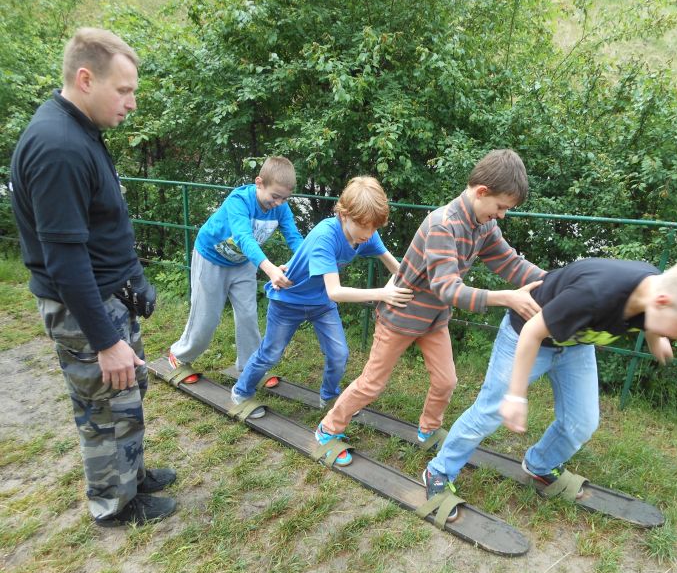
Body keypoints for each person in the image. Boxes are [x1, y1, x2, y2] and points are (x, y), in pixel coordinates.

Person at [9, 28, 177, 526]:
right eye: (123, 90)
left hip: (109, 297)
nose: (132, 102)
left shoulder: (79, 130)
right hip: (86, 308)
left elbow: (98, 228)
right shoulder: (58, 147)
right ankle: (114, 505)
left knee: (126, 396)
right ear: (86, 79)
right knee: (104, 407)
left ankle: (132, 474)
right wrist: (105, 341)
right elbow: (64, 261)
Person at [425, 256, 677, 519]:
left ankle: (540, 464)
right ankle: (439, 470)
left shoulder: (657, 291)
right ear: (663, 302)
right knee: (491, 411)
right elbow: (533, 331)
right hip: (528, 336)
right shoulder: (597, 293)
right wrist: (516, 395)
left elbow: (651, 317)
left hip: (575, 346)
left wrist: (657, 338)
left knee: (582, 422)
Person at [316, 149, 547, 474]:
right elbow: (447, 288)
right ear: (482, 192)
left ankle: (429, 428)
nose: (503, 215)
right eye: (501, 207)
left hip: (434, 320)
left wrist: (556, 282)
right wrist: (506, 298)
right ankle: (328, 428)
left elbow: (509, 262)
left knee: (446, 381)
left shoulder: (483, 226)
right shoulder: (443, 225)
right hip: (401, 318)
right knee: (372, 384)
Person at [231, 176, 413, 421]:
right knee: (271, 354)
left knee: (339, 354)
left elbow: (396, 268)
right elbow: (335, 292)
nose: (370, 234)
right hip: (289, 301)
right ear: (344, 215)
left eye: (374, 228)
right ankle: (241, 392)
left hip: (321, 305)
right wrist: (383, 293)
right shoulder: (325, 236)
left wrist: (417, 286)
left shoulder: (367, 233)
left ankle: (329, 397)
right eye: (365, 226)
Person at [168, 156, 303, 383]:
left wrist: (308, 261)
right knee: (207, 317)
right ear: (259, 183)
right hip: (211, 258)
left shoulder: (281, 208)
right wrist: (270, 269)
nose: (279, 203)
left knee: (248, 315)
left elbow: (294, 237)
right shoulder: (239, 200)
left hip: (243, 263)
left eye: (285, 198)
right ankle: (180, 355)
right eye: (275, 196)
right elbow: (243, 238)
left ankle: (252, 366)